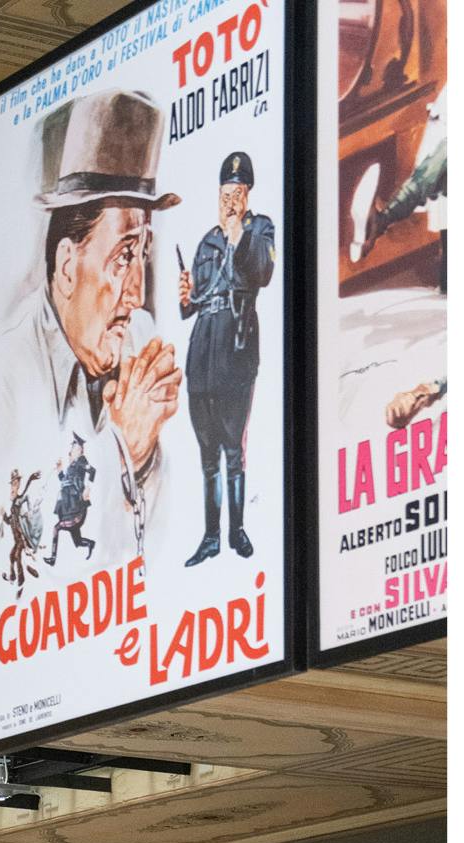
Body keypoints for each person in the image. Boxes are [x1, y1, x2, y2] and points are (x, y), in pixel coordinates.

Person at [0, 90, 184, 573]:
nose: (136, 293)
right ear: (65, 266)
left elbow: (164, 563)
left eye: (143, 253)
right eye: (123, 256)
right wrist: (127, 449)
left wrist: (145, 459)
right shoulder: (7, 375)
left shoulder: (140, 338)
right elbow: (35, 575)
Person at [177, 148, 275, 565]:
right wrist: (185, 297)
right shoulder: (206, 242)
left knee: (233, 447)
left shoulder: (259, 230)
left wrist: (238, 233)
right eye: (224, 192)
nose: (229, 200)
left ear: (248, 193)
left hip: (236, 348)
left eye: (236, 191)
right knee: (206, 453)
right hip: (202, 352)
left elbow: (262, 274)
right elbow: (193, 302)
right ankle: (211, 536)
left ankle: (236, 532)